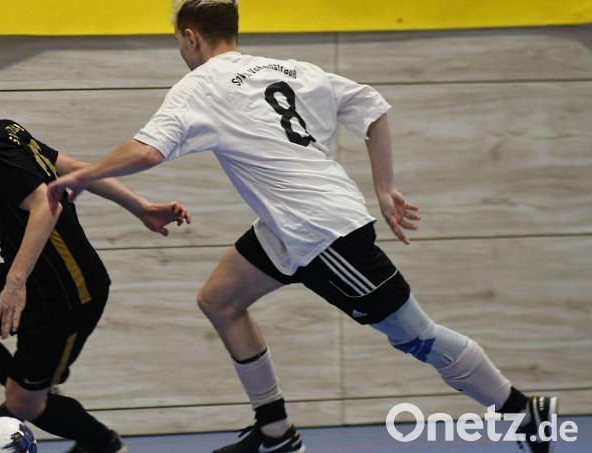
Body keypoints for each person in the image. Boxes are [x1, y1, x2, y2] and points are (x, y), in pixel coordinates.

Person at [45, 1, 558, 452]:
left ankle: (521, 409)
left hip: (321, 234)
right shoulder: (293, 68)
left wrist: (85, 175)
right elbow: (373, 108)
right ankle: (276, 431)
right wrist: (384, 187)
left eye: (179, 40)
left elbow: (148, 150)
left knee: (416, 336)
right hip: (289, 227)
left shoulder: (200, 85)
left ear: (190, 36)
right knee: (220, 299)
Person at [0, 62, 191, 453]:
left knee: (23, 402)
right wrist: (141, 206)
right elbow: (75, 171)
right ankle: (30, 387)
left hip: (68, 289)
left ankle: (102, 444)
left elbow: (47, 207)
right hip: (31, 271)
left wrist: (14, 285)